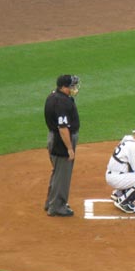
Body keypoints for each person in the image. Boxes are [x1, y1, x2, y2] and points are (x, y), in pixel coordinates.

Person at [44, 74, 81, 217]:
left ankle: (50, 202)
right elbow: (63, 127)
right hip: (62, 140)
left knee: (57, 172)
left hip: (56, 138)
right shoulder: (62, 102)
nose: (75, 88)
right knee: (62, 174)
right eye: (72, 86)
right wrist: (69, 148)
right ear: (64, 87)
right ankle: (57, 207)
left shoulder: (53, 96)